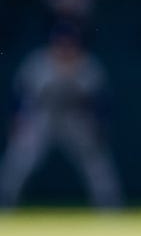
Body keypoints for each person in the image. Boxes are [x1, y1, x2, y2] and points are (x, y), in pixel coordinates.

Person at [0, 23, 123, 210]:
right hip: (42, 116)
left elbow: (101, 101)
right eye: (61, 43)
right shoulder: (39, 62)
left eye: (69, 43)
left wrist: (99, 126)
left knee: (95, 160)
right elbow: (19, 95)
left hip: (75, 118)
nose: (65, 47)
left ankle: (109, 204)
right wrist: (17, 120)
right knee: (20, 157)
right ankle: (5, 200)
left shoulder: (87, 65)